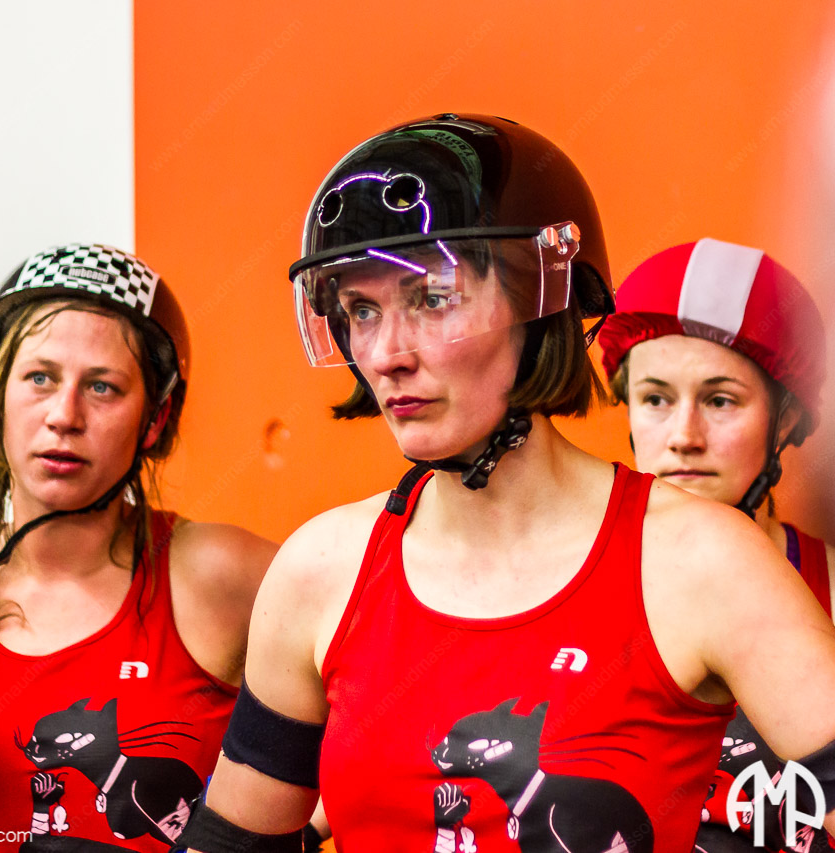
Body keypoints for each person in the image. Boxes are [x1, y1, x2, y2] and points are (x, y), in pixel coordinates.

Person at [173, 114, 835, 853]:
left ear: (539, 303)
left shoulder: (703, 558)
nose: (386, 354)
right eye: (361, 310)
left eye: (431, 298)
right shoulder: (319, 570)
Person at [0, 244, 277, 853]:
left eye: (102, 387)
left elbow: (390, 714)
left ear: (154, 420)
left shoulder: (218, 574)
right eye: (40, 378)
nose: (65, 415)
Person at [598, 239, 834, 853]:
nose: (684, 436)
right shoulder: (562, 578)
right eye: (655, 399)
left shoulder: (829, 587)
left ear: (785, 420)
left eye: (720, 400)